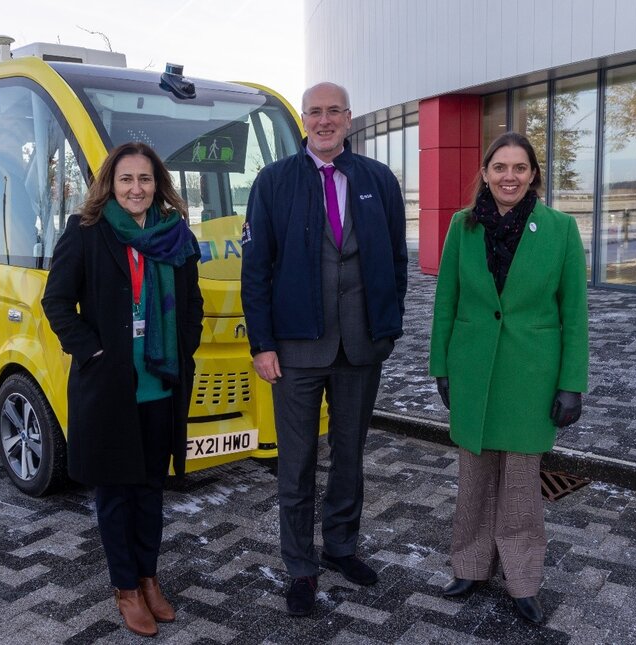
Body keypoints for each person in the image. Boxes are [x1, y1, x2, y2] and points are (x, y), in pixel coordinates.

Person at [240, 82, 408, 617]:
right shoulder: (274, 182)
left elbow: (396, 264)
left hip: (361, 347)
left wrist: (388, 326)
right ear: (305, 121)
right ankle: (300, 568)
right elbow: (256, 271)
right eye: (315, 112)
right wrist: (263, 344)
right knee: (297, 464)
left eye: (334, 111)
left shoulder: (378, 181)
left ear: (350, 120)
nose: (325, 120)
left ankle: (340, 549)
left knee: (350, 458)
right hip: (295, 350)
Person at [42, 142, 203, 638]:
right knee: (114, 493)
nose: (137, 189)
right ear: (111, 184)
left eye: (146, 180)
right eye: (127, 179)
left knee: (151, 489)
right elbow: (56, 301)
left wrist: (182, 347)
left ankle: (150, 578)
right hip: (108, 387)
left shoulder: (175, 236)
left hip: (160, 382)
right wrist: (92, 351)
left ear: (159, 185)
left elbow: (191, 304)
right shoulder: (86, 233)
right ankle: (126, 589)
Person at [429, 132, 588, 625]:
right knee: (474, 479)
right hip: (474, 371)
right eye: (500, 167)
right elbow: (446, 302)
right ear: (485, 172)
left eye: (519, 168)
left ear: (534, 174)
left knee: (521, 486)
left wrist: (571, 382)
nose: (509, 176)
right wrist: (442, 367)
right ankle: (472, 566)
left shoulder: (560, 229)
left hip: (530, 376)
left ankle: (522, 580)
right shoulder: (463, 226)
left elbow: (575, 313)